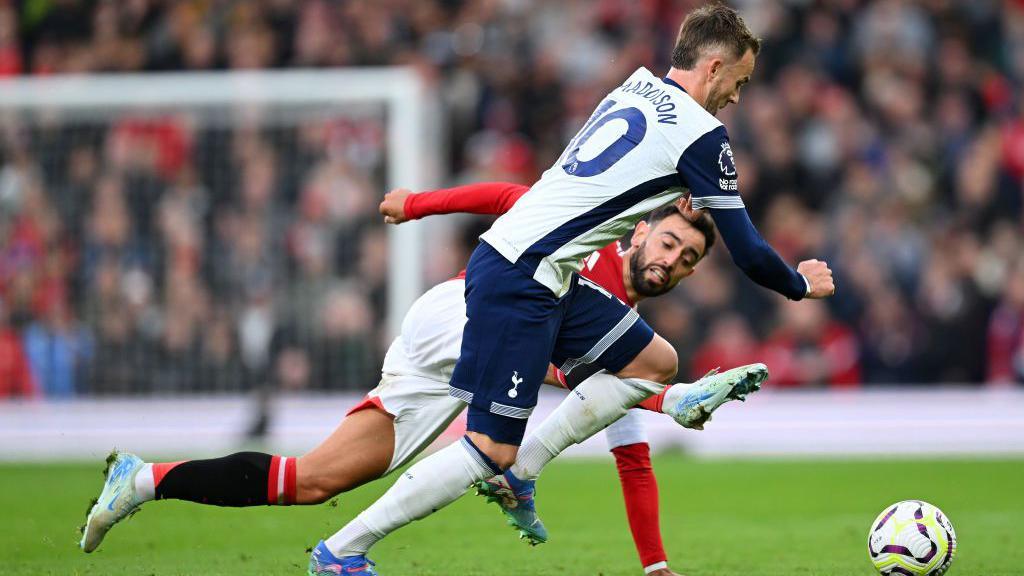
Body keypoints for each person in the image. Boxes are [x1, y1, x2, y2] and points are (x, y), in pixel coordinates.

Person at [310, 5, 834, 575]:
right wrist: (801, 284)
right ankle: (343, 550)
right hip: (522, 276)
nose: (737, 96)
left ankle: (525, 468)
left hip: (540, 271)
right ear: (713, 69)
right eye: (740, 81)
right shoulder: (705, 137)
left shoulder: (633, 88)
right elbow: (753, 254)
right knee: (487, 451)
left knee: (655, 361)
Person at [80, 182, 761, 576]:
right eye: (669, 243)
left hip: (444, 360)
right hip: (459, 316)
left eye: (688, 260)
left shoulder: (620, 340)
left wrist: (655, 568)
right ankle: (491, 483)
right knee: (612, 381)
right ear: (640, 233)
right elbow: (510, 195)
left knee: (313, 480)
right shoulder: (589, 242)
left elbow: (631, 451)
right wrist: (418, 204)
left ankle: (141, 480)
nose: (672, 262)